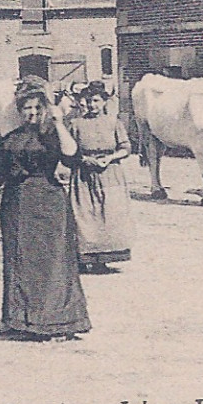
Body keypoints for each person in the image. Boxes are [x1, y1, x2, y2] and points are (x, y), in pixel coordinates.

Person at [0, 77, 91, 340]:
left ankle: (57, 323)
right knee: (18, 261)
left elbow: (72, 156)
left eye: (37, 107)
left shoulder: (54, 135)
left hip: (50, 205)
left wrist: (58, 122)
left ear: (45, 108)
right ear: (20, 109)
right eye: (27, 108)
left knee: (52, 264)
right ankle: (20, 321)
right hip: (15, 205)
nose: (32, 113)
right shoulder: (11, 137)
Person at [69, 82, 134, 273]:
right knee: (85, 214)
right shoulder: (75, 124)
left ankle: (103, 259)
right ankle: (84, 258)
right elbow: (69, 151)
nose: (92, 105)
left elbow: (125, 148)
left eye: (96, 101)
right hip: (84, 174)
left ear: (105, 102)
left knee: (110, 213)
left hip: (110, 173)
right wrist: (83, 159)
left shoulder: (115, 123)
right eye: (89, 101)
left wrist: (110, 158)